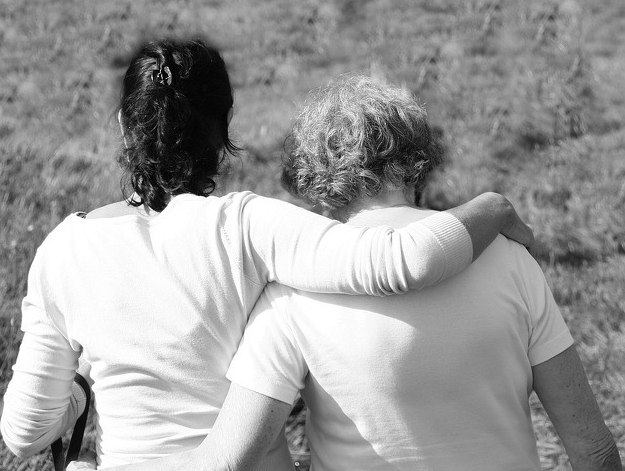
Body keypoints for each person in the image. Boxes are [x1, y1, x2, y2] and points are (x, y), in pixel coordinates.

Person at [0, 40, 533, 469]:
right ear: (224, 126)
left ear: (122, 125)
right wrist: (494, 206)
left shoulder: (63, 249)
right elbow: (405, 261)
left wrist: (78, 389)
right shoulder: (247, 226)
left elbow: (24, 435)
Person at [103, 75, 622, 471]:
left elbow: (225, 462)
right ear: (419, 158)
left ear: (313, 179)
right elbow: (594, 450)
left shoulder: (291, 294)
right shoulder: (509, 257)